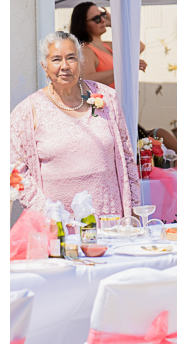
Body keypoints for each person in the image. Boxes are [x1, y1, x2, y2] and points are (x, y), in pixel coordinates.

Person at [10, 31, 140, 216]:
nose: (64, 66)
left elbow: (127, 157)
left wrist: (133, 210)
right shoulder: (27, 112)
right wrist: (45, 212)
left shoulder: (108, 99)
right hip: (57, 225)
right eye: (56, 59)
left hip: (108, 220)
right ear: (44, 66)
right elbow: (15, 171)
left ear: (80, 63)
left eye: (71, 58)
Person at [69, 1, 147, 88]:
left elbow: (139, 46)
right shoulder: (85, 50)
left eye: (103, 15)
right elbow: (87, 79)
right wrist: (125, 68)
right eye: (97, 19)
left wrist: (115, 24)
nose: (103, 20)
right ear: (83, 24)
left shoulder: (106, 45)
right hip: (104, 100)